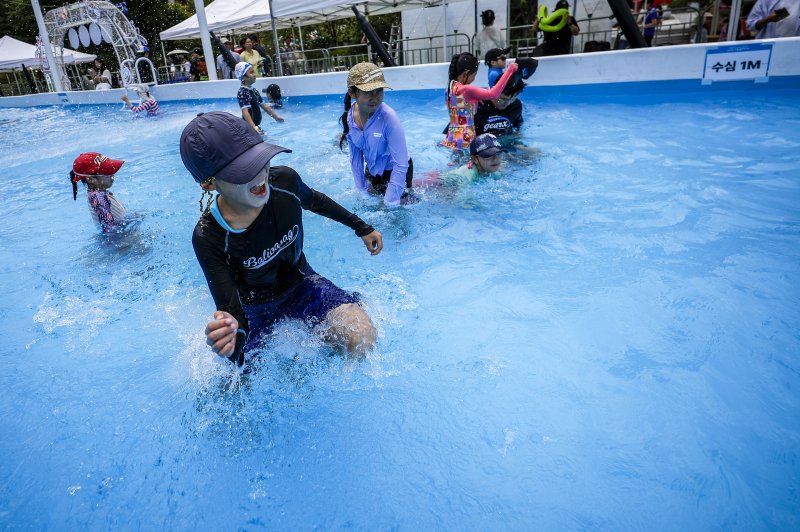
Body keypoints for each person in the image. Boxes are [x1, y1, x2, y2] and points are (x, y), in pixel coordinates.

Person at [179, 111, 384, 366]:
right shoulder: (209, 236)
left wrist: (361, 227)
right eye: (242, 171)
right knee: (242, 375)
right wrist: (231, 336)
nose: (259, 176)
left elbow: (316, 201)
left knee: (361, 336)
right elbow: (233, 313)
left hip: (302, 286)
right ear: (209, 183)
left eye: (260, 160)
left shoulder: (284, 182)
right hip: (254, 311)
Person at [340, 63, 415, 208]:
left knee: (397, 210)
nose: (375, 97)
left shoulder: (389, 118)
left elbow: (401, 164)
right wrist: (361, 191)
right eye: (368, 92)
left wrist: (390, 202)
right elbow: (356, 159)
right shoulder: (348, 119)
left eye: (379, 90)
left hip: (397, 169)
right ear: (352, 93)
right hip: (374, 170)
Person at [441, 52, 518, 152]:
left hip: (452, 135)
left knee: (456, 164)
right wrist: (510, 70)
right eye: (474, 74)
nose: (474, 78)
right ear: (466, 73)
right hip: (466, 136)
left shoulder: (449, 89)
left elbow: (461, 108)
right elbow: (493, 94)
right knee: (470, 165)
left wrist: (475, 98)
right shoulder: (467, 89)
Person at [69, 152, 126, 233]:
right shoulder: (98, 197)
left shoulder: (99, 192)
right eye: (107, 172)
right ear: (91, 179)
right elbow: (109, 228)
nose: (112, 174)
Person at [236, 62, 284, 134]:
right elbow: (245, 112)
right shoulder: (243, 92)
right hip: (249, 128)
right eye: (251, 73)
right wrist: (253, 126)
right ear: (243, 77)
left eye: (254, 72)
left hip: (256, 126)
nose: (255, 75)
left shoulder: (254, 90)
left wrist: (276, 117)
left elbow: (264, 106)